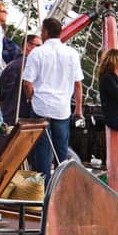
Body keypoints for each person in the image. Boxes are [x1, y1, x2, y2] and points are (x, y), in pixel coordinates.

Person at [21, 17, 83, 174]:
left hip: (40, 107)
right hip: (62, 108)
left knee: (42, 150)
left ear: (45, 32)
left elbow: (27, 83)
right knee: (61, 149)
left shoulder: (37, 53)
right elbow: (77, 84)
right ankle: (61, 184)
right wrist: (78, 110)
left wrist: (30, 97)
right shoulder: (72, 54)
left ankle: (42, 187)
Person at [0, 34, 41, 127]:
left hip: (8, 117)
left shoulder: (9, 66)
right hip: (24, 119)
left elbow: (0, 94)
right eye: (39, 46)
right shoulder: (30, 66)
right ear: (28, 45)